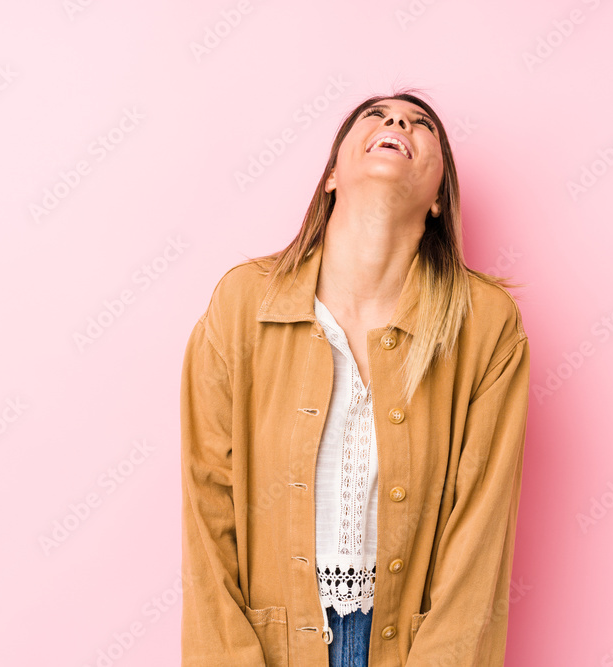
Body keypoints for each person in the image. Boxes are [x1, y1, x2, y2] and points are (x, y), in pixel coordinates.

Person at [180, 90, 531, 666]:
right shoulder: (244, 304)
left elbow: (481, 537)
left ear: (440, 197)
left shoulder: (485, 325)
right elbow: (206, 512)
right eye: (376, 115)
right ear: (331, 178)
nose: (398, 121)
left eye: (422, 125)